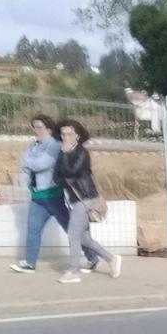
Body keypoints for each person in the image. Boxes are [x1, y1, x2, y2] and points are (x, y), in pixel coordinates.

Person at [10, 115, 98, 274]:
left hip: (52, 196)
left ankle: (92, 257)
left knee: (72, 230)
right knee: (33, 228)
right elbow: (23, 163)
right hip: (37, 196)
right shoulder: (34, 146)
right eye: (34, 127)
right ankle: (30, 263)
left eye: (39, 127)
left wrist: (30, 163)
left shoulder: (54, 146)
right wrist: (30, 163)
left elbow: (41, 164)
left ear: (49, 129)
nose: (36, 131)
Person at [54, 119, 121, 284]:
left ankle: (74, 270)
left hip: (85, 198)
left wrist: (65, 155)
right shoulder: (63, 152)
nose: (65, 137)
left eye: (69, 134)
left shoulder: (82, 153)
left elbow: (72, 171)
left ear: (77, 135)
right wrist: (65, 175)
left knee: (73, 235)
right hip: (75, 199)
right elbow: (57, 177)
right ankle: (111, 259)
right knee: (84, 238)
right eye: (63, 134)